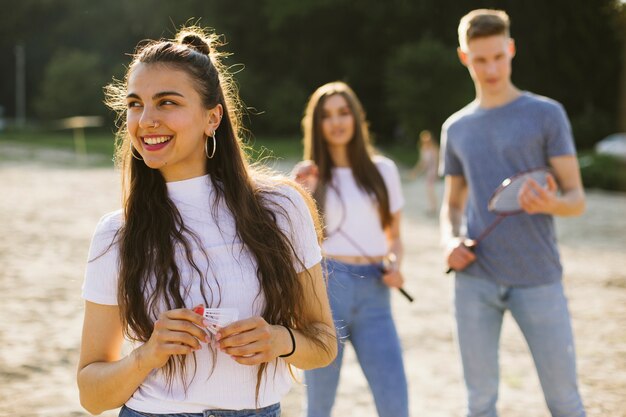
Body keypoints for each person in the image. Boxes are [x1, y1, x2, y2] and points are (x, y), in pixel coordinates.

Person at [77, 27, 337, 417]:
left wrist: (278, 339)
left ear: (212, 117)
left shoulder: (281, 208)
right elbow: (92, 396)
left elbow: (324, 344)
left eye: (166, 102)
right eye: (135, 104)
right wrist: (147, 354)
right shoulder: (117, 233)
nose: (146, 120)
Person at [439, 9, 587, 417]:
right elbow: (451, 206)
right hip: (474, 282)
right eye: (480, 59)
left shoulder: (546, 114)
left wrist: (551, 204)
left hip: (538, 278)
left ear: (511, 49)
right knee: (480, 404)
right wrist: (450, 241)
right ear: (464, 57)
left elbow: (576, 197)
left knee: (564, 402)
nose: (491, 68)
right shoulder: (456, 128)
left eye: (498, 57)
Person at [292, 81, 409, 417]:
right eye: (327, 116)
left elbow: (395, 237)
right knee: (319, 406)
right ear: (317, 124)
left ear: (357, 117)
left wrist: (396, 265)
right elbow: (297, 243)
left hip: (376, 292)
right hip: (328, 289)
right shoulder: (309, 176)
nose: (337, 122)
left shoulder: (383, 170)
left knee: (395, 402)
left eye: (344, 112)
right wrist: (303, 192)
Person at [408, 129, 439, 214]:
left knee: (430, 189)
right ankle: (432, 207)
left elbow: (436, 161)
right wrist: (415, 171)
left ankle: (433, 207)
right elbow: (422, 162)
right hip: (428, 172)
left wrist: (436, 173)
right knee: (429, 189)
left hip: (432, 171)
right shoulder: (423, 148)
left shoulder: (434, 148)